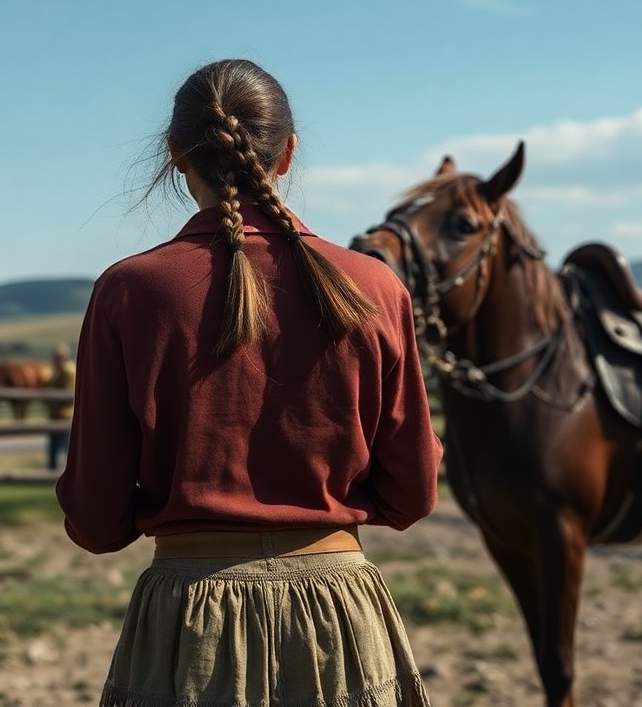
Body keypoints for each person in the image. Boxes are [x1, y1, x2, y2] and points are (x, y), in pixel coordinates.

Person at [56, 59, 442, 707]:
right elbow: (412, 496)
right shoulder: (376, 288)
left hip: (186, 626)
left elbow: (95, 523)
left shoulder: (127, 292)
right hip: (340, 621)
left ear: (176, 154)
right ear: (288, 152)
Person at [45, 343, 74, 470]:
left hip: (65, 416)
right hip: (57, 415)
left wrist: (51, 399)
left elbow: (69, 394)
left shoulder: (68, 372)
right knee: (54, 449)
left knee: (66, 449)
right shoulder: (58, 372)